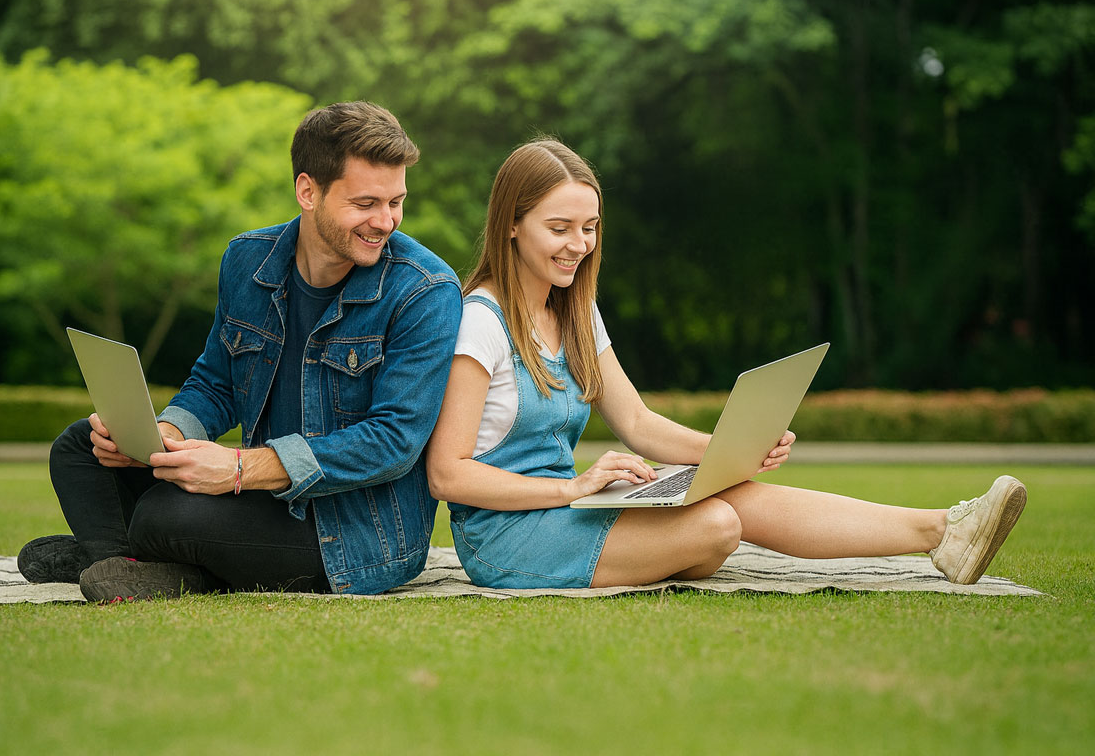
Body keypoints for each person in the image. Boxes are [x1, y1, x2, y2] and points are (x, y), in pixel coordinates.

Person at [425, 137, 1026, 590]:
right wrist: (573, 487)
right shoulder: (481, 322)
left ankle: (944, 530)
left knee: (727, 497)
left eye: (589, 228)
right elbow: (447, 475)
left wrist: (724, 451)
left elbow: (637, 425)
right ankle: (939, 533)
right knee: (715, 528)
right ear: (511, 224)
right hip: (505, 536)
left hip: (571, 507)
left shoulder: (576, 313)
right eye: (559, 228)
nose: (578, 245)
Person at [18, 101, 462, 601]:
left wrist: (236, 470)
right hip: (258, 497)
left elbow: (393, 441)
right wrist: (162, 435)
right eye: (366, 204)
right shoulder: (248, 259)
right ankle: (134, 564)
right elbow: (217, 383)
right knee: (82, 448)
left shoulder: (425, 290)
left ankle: (132, 558)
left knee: (164, 514)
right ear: (307, 190)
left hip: (351, 531)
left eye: (396, 201)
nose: (386, 222)